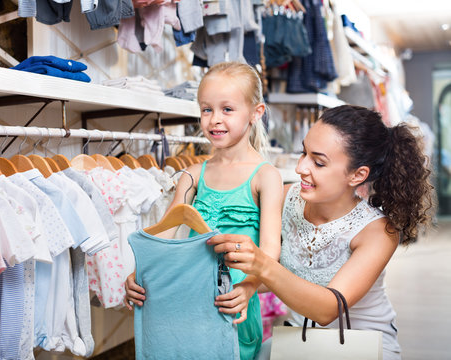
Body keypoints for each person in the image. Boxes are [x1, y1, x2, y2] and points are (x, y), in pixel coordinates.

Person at [208, 105, 434, 360]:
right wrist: (248, 285)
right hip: (300, 340)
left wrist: (262, 265)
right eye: (303, 152)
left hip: (360, 344)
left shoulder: (378, 231)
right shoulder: (285, 198)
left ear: (357, 175)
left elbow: (329, 308)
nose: (301, 167)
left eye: (318, 162)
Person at [125, 61, 284, 360]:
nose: (214, 120)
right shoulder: (192, 175)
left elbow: (270, 253)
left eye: (227, 109)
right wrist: (137, 273)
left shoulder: (266, 176)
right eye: (206, 109)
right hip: (187, 304)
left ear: (255, 113)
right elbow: (164, 235)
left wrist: (249, 287)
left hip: (233, 305)